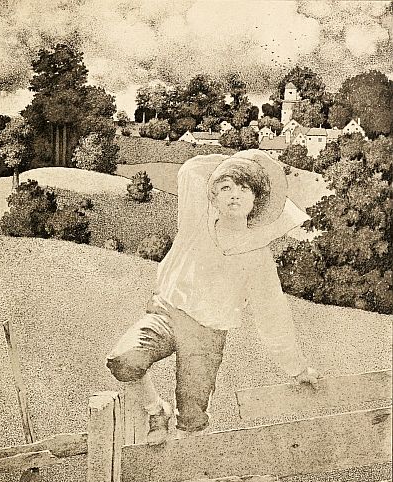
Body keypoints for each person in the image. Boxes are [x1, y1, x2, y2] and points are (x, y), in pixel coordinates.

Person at [106, 149, 319, 445]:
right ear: (213, 196)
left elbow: (272, 314)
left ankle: (184, 466)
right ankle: (156, 410)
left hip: (207, 335)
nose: (235, 195)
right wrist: (235, 160)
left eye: (244, 189)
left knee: (191, 419)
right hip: (167, 314)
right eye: (226, 187)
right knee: (124, 360)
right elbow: (190, 170)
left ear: (256, 200)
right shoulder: (196, 221)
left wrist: (296, 368)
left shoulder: (257, 256)